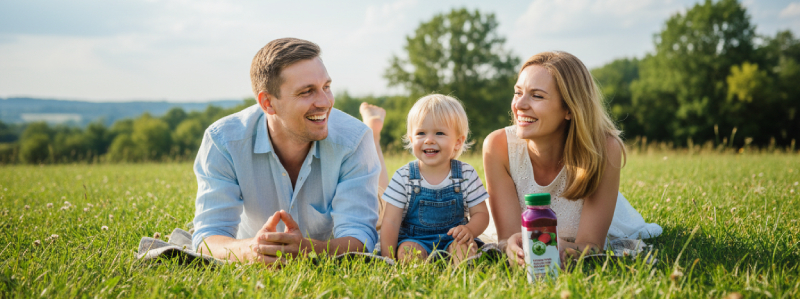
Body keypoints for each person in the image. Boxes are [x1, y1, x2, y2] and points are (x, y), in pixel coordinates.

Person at [191, 38, 383, 265]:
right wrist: (250, 250)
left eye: (326, 87)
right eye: (306, 92)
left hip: (330, 241)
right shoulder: (223, 141)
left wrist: (308, 250)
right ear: (267, 103)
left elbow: (360, 236)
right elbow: (207, 238)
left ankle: (376, 132)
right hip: (250, 243)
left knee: (386, 208)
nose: (325, 102)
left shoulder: (354, 139)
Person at [482, 51, 662, 265]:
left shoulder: (604, 148)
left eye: (537, 95)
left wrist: (541, 247)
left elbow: (591, 245)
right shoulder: (497, 145)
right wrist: (512, 247)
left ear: (569, 108)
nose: (519, 105)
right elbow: (508, 238)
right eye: (517, 92)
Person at [379, 94, 490, 264]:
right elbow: (391, 222)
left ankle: (459, 277)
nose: (429, 140)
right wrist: (387, 259)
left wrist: (469, 230)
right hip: (415, 240)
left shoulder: (466, 174)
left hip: (454, 239)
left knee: (464, 250)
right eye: (421, 133)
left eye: (439, 133)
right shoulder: (404, 177)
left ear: (458, 142)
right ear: (411, 139)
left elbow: (481, 214)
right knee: (408, 252)